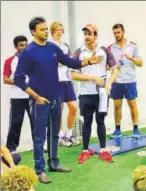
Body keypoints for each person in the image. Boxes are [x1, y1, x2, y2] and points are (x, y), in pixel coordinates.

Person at [14, 17, 101, 184]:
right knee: (39, 138)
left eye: (47, 29)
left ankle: (54, 163)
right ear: (33, 32)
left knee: (54, 134)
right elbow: (18, 78)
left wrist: (88, 61)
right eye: (42, 29)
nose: (46, 31)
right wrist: (36, 96)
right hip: (40, 101)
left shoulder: (53, 48)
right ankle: (40, 170)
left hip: (56, 98)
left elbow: (69, 62)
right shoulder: (28, 52)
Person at [72, 23, 119, 164]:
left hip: (102, 94)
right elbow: (73, 75)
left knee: (100, 121)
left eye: (89, 34)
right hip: (86, 93)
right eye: (85, 34)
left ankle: (103, 150)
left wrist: (109, 82)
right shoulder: (79, 52)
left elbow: (116, 69)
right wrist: (92, 78)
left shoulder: (104, 50)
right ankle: (85, 151)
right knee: (87, 122)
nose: (87, 37)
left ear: (96, 35)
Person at [108, 23, 144, 138]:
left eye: (118, 32)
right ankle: (117, 130)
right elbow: (106, 66)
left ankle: (136, 129)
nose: (117, 35)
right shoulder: (110, 48)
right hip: (116, 81)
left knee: (132, 105)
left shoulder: (132, 46)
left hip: (130, 80)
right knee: (117, 106)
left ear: (123, 32)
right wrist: (113, 66)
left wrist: (132, 58)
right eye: (114, 33)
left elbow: (141, 63)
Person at [50, 21, 80, 147]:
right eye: (57, 29)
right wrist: (62, 62)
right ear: (53, 31)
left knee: (73, 107)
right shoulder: (49, 45)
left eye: (61, 29)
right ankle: (60, 135)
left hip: (66, 80)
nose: (60, 31)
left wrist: (65, 62)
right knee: (59, 109)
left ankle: (69, 134)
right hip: (55, 81)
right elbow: (51, 62)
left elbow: (69, 61)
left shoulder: (65, 46)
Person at [3, 35, 34, 152]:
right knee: (16, 122)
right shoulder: (9, 61)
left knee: (36, 121)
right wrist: (19, 82)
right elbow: (5, 79)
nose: (24, 47)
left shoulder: (33, 61)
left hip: (32, 95)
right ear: (16, 47)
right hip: (17, 97)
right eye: (21, 45)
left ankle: (39, 145)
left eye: (26, 45)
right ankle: (11, 148)